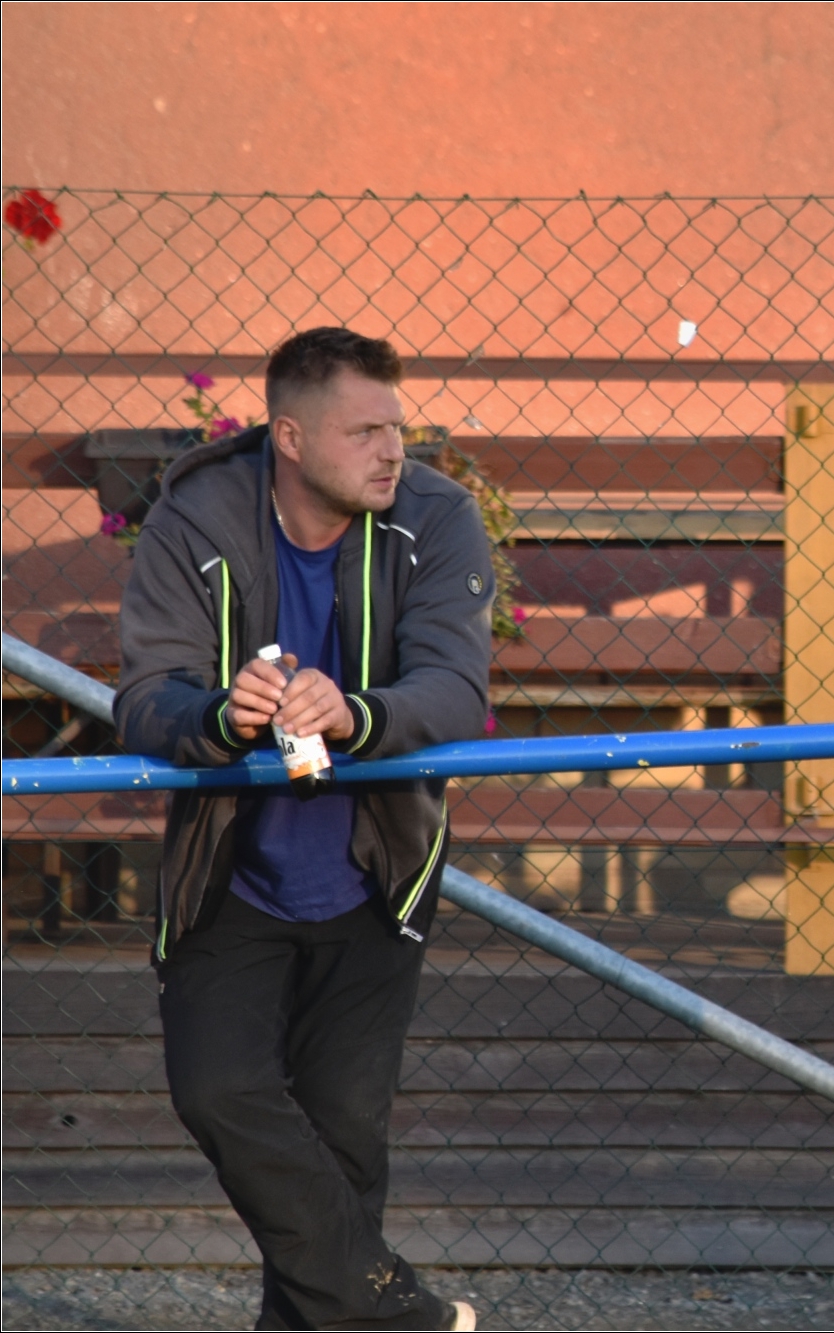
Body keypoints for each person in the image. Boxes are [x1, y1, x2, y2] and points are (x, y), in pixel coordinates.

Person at [116, 327, 494, 1331]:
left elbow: (455, 688)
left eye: (397, 427)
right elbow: (147, 695)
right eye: (364, 430)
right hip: (228, 870)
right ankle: (402, 1316)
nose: (392, 449)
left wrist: (356, 712)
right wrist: (220, 712)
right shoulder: (195, 515)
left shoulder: (438, 517)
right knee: (216, 1088)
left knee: (343, 1139)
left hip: (376, 870)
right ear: (289, 436)